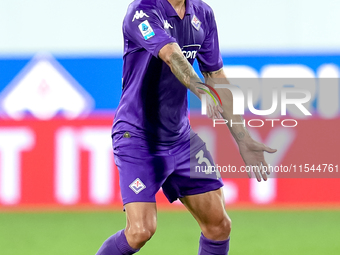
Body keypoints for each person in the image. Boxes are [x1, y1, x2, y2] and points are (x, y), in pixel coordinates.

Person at [96, 0, 276, 254]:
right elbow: (171, 54)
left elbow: (217, 76)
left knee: (219, 225)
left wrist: (243, 138)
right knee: (140, 231)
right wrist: (199, 89)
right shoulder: (142, 10)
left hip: (180, 139)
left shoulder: (203, 13)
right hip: (137, 136)